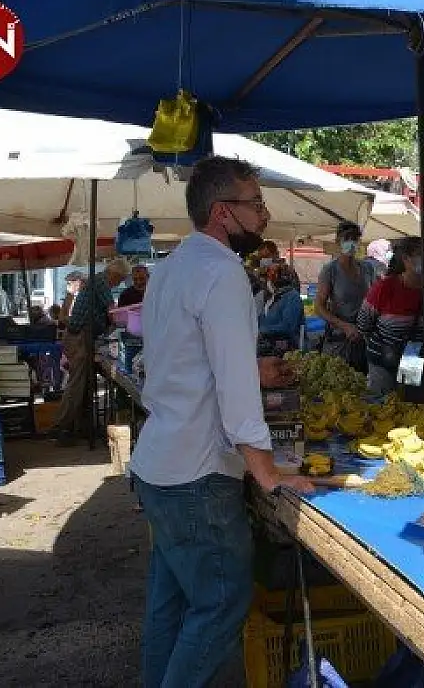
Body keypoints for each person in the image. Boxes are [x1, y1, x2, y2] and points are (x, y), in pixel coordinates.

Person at [128, 156, 314, 688]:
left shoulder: (170, 268)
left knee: (170, 605)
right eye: (255, 204)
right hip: (197, 475)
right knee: (222, 603)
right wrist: (267, 471)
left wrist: (253, 369)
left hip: (159, 464)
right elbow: (234, 388)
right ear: (221, 212)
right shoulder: (223, 273)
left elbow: (182, 359)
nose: (264, 215)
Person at [51, 257, 130, 444]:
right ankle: (62, 427)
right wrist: (127, 324)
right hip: (79, 337)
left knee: (84, 384)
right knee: (77, 384)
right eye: (119, 279)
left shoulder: (97, 280)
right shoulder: (101, 282)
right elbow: (112, 312)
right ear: (114, 274)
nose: (118, 284)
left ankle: (79, 426)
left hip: (81, 336)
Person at [357, 238, 424, 401]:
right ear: (405, 258)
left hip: (414, 360)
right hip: (383, 360)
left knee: (407, 404)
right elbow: (363, 324)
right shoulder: (385, 287)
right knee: (381, 404)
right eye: (419, 255)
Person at [315, 222, 373, 371]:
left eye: (355, 239)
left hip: (364, 341)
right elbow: (319, 307)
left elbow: (374, 300)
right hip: (339, 341)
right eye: (347, 239)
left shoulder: (367, 268)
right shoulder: (330, 270)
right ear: (338, 241)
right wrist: (344, 326)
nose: (351, 243)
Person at [258, 263, 305, 353]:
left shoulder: (292, 297)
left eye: (268, 278)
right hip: (267, 348)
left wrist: (262, 331)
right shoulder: (272, 298)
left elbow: (288, 326)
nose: (266, 282)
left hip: (285, 351)